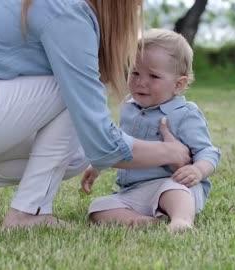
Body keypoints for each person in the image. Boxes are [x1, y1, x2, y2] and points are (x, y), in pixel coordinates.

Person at [0, 0, 192, 229]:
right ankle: (28, 213)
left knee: (73, 157)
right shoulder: (67, 10)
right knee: (74, 94)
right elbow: (102, 143)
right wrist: (169, 151)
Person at [81, 28, 221, 232]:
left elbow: (208, 152)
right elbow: (120, 145)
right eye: (135, 72)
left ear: (178, 84)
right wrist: (98, 165)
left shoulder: (184, 114)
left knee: (174, 191)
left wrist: (197, 170)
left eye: (153, 76)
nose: (140, 81)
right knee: (98, 208)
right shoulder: (129, 108)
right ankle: (143, 221)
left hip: (173, 183)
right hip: (135, 191)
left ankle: (181, 220)